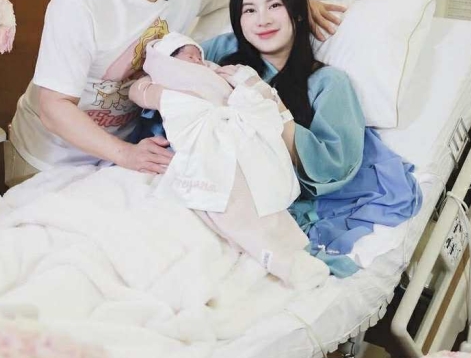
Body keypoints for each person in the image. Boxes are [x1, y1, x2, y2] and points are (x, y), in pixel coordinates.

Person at [5, 0, 344, 187]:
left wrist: (300, 1)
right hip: (50, 157)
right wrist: (125, 154)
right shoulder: (81, 4)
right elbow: (53, 107)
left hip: (127, 157)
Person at [203, 0, 422, 278]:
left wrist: (270, 107)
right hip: (201, 183)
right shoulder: (221, 53)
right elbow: (168, 65)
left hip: (257, 200)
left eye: (275, 5)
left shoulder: (328, 84)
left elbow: (332, 165)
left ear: (297, 10)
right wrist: (146, 91)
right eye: (249, 10)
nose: (262, 20)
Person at [128, 32, 329, 289]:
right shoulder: (164, 80)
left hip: (234, 134)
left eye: (198, 56)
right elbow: (139, 92)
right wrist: (164, 93)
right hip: (203, 141)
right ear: (168, 60)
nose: (197, 61)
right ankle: (282, 260)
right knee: (230, 200)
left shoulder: (224, 73)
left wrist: (243, 83)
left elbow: (257, 98)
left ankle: (288, 249)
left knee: (258, 192)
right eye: (188, 56)